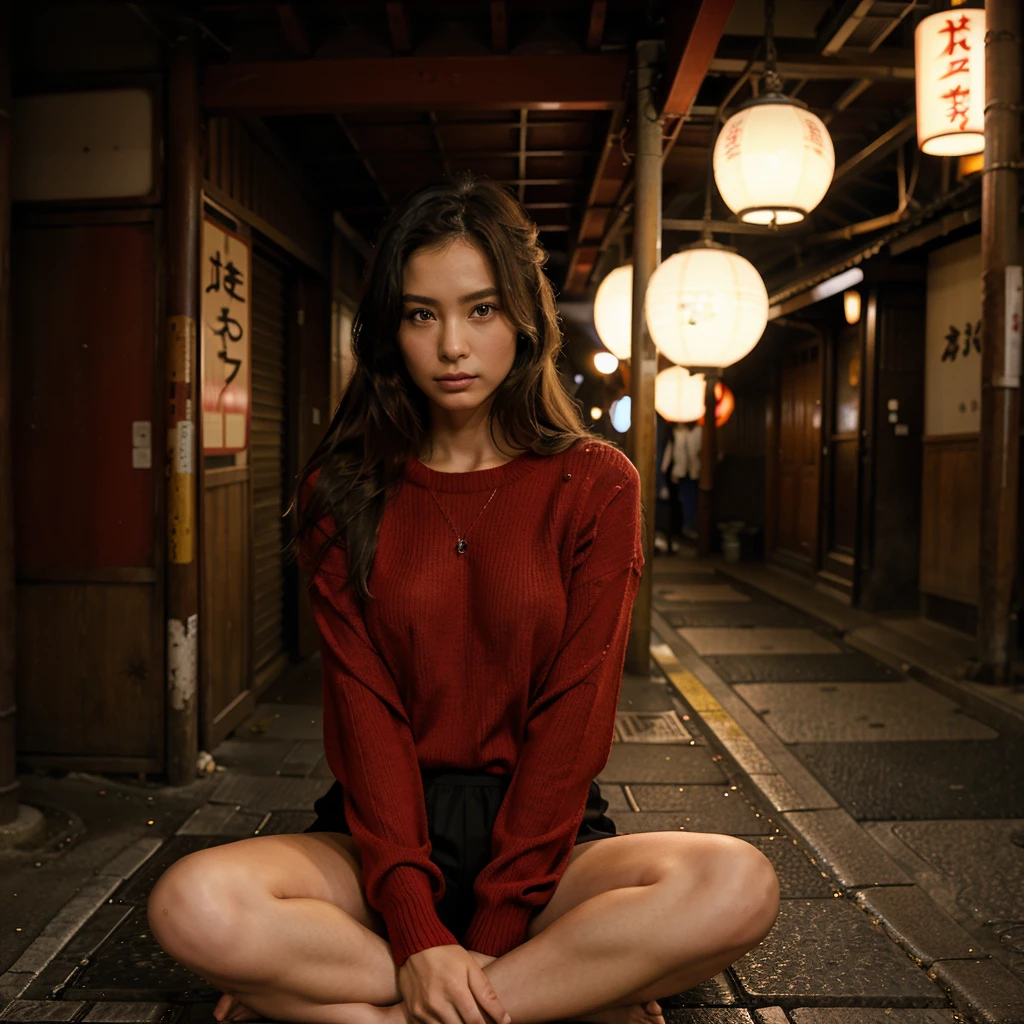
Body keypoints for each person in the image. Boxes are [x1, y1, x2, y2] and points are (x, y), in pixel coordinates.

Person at [147, 177, 779, 1024]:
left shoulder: (594, 483)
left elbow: (576, 717)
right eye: (420, 315)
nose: (453, 344)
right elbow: (363, 717)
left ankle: (354, 1003)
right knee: (191, 904)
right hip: (377, 842)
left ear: (523, 318)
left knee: (738, 883)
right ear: (391, 331)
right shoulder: (345, 490)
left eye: (480, 310)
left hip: (547, 843)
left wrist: (495, 921)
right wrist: (414, 929)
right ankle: (558, 996)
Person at [659, 421, 702, 544]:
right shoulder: (677, 432)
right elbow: (670, 451)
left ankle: (691, 527)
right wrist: (664, 470)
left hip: (696, 472)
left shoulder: (699, 431)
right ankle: (684, 528)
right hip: (681, 471)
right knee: (682, 501)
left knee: (693, 501)